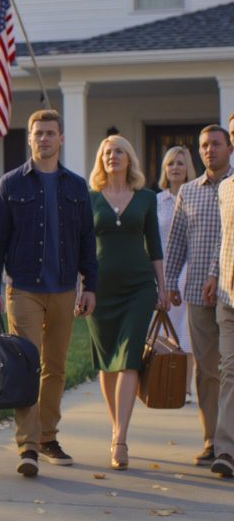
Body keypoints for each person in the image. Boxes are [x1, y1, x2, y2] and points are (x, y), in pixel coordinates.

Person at [0, 108, 98, 478]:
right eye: (38, 133)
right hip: (24, 289)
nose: (44, 139)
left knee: (56, 368)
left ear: (61, 138)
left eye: (50, 133)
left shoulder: (76, 186)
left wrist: (89, 285)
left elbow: (86, 241)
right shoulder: (11, 184)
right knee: (27, 366)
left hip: (64, 288)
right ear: (29, 138)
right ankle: (28, 446)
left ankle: (48, 436)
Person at [87, 135, 168, 470]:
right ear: (101, 160)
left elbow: (156, 247)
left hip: (138, 288)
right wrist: (82, 286)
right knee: (108, 362)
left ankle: (120, 439)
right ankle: (116, 426)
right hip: (101, 289)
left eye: (119, 151)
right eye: (107, 152)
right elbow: (83, 247)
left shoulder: (147, 198)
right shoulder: (89, 199)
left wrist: (162, 288)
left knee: (130, 358)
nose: (113, 157)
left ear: (129, 158)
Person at [165, 125, 233, 467]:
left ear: (229, 147)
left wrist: (214, 272)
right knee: (207, 370)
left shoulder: (232, 187)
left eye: (216, 144)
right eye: (204, 145)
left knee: (230, 369)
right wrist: (170, 282)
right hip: (196, 293)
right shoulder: (188, 192)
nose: (209, 150)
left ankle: (227, 441)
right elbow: (176, 239)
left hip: (228, 290)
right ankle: (212, 439)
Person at [156, 146, 197, 400]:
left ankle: (186, 387)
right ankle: (162, 383)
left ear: (187, 168)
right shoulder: (156, 200)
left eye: (180, 163)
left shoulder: (195, 195)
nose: (175, 168)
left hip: (188, 270)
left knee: (186, 332)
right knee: (163, 330)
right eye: (170, 163)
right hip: (161, 270)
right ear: (165, 169)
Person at [205, 173, 234, 479]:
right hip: (229, 295)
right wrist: (214, 273)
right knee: (229, 370)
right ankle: (225, 449)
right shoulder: (227, 187)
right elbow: (223, 237)